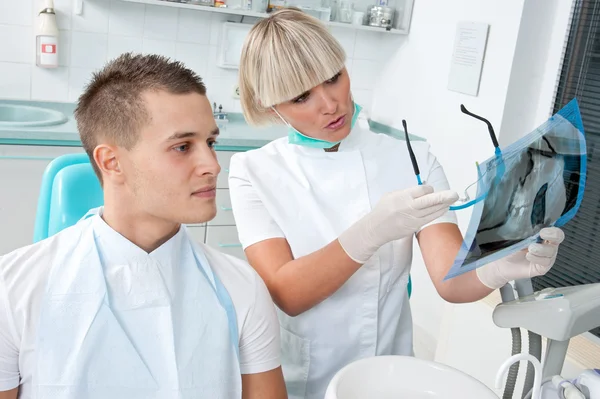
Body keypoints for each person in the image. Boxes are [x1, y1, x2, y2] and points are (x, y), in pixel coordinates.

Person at [228, 8, 566, 399]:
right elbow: (287, 294)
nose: (330, 103)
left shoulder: (413, 158)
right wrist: (369, 233)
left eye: (334, 77)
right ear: (274, 108)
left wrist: (499, 267)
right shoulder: (252, 171)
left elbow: (451, 282)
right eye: (301, 96)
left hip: (390, 373)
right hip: (303, 378)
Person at [0, 53, 287, 399]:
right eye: (182, 147)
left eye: (210, 143)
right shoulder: (15, 289)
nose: (212, 165)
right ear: (112, 162)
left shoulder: (242, 290)